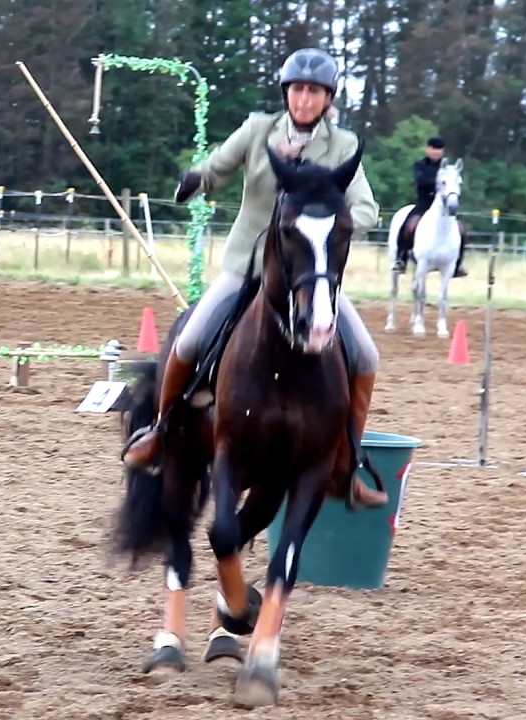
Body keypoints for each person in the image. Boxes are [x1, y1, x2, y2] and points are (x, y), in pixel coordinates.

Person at [120, 47, 387, 508]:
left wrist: (320, 199)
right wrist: (193, 180)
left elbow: (366, 208)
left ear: (328, 99)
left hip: (309, 275)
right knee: (189, 340)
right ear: (287, 93)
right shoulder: (257, 130)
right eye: (298, 90)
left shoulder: (343, 146)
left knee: (366, 355)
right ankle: (160, 432)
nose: (304, 100)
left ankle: (347, 464)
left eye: (315, 92)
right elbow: (217, 166)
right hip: (249, 265)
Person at [394, 136, 468, 277]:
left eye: (439, 149)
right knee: (407, 226)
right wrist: (437, 182)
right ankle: (400, 258)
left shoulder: (447, 168)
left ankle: (458, 264)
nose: (436, 152)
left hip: (444, 208)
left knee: (461, 230)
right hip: (424, 204)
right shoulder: (420, 165)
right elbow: (420, 180)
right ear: (428, 149)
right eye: (433, 149)